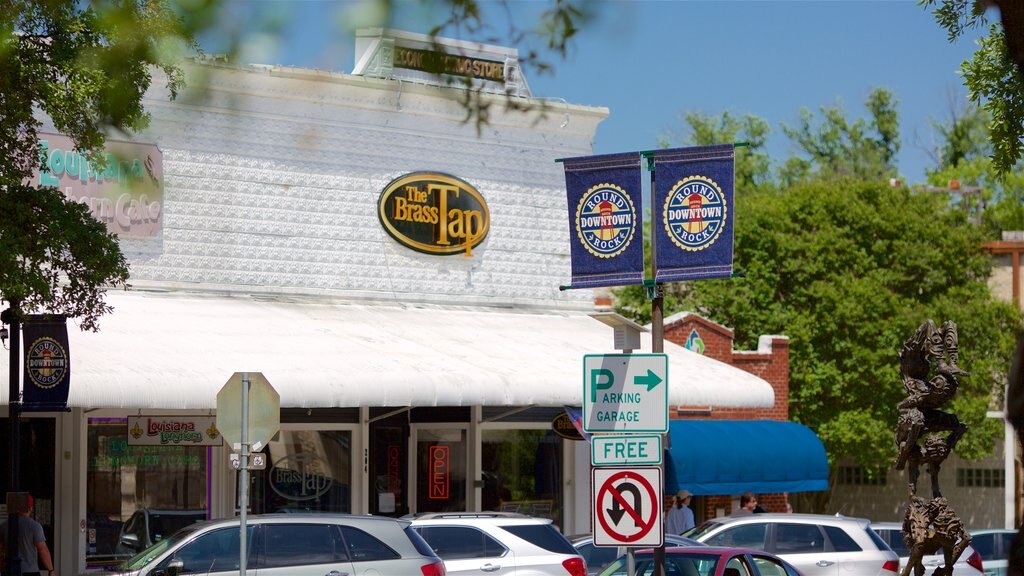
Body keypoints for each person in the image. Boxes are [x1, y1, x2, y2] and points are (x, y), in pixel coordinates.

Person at [0, 494, 54, 576]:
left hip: (9, 571)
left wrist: (2, 566)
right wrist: (51, 570)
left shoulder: (4, 525)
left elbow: (0, 548)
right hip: (30, 572)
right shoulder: (35, 526)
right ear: (30, 508)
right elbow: (43, 550)